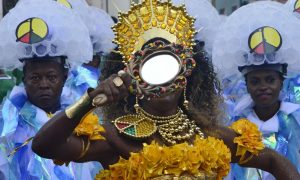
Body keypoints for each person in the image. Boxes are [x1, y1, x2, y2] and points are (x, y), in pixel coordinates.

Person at [32, 0, 300, 179]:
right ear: (135, 79)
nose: (161, 81)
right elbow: (45, 146)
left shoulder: (212, 135)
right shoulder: (115, 137)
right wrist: (90, 101)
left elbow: (274, 161)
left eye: (167, 67)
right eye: (152, 70)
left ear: (185, 74)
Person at [0, 0, 101, 179]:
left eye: (52, 77)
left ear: (64, 78)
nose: (44, 84)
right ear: (24, 79)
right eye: (35, 78)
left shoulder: (85, 116)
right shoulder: (8, 122)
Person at [212, 1, 300, 179]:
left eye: (270, 80)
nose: (263, 87)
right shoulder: (232, 126)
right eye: (255, 81)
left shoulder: (296, 121)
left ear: (281, 82)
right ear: (247, 85)